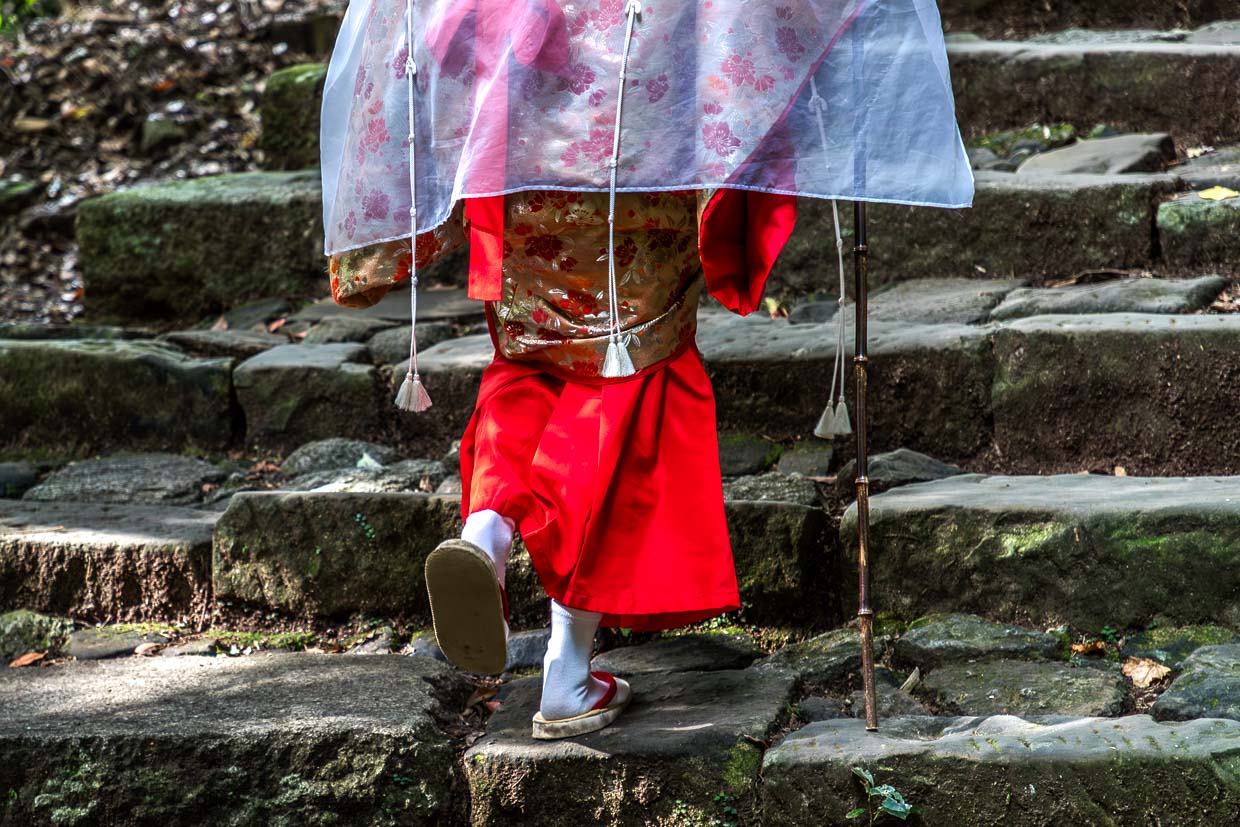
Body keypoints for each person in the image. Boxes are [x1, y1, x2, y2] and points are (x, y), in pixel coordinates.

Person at [320, 0, 973, 739]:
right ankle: (566, 668)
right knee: (627, 380)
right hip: (641, 150)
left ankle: (486, 529)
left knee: (529, 359)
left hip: (516, 152)